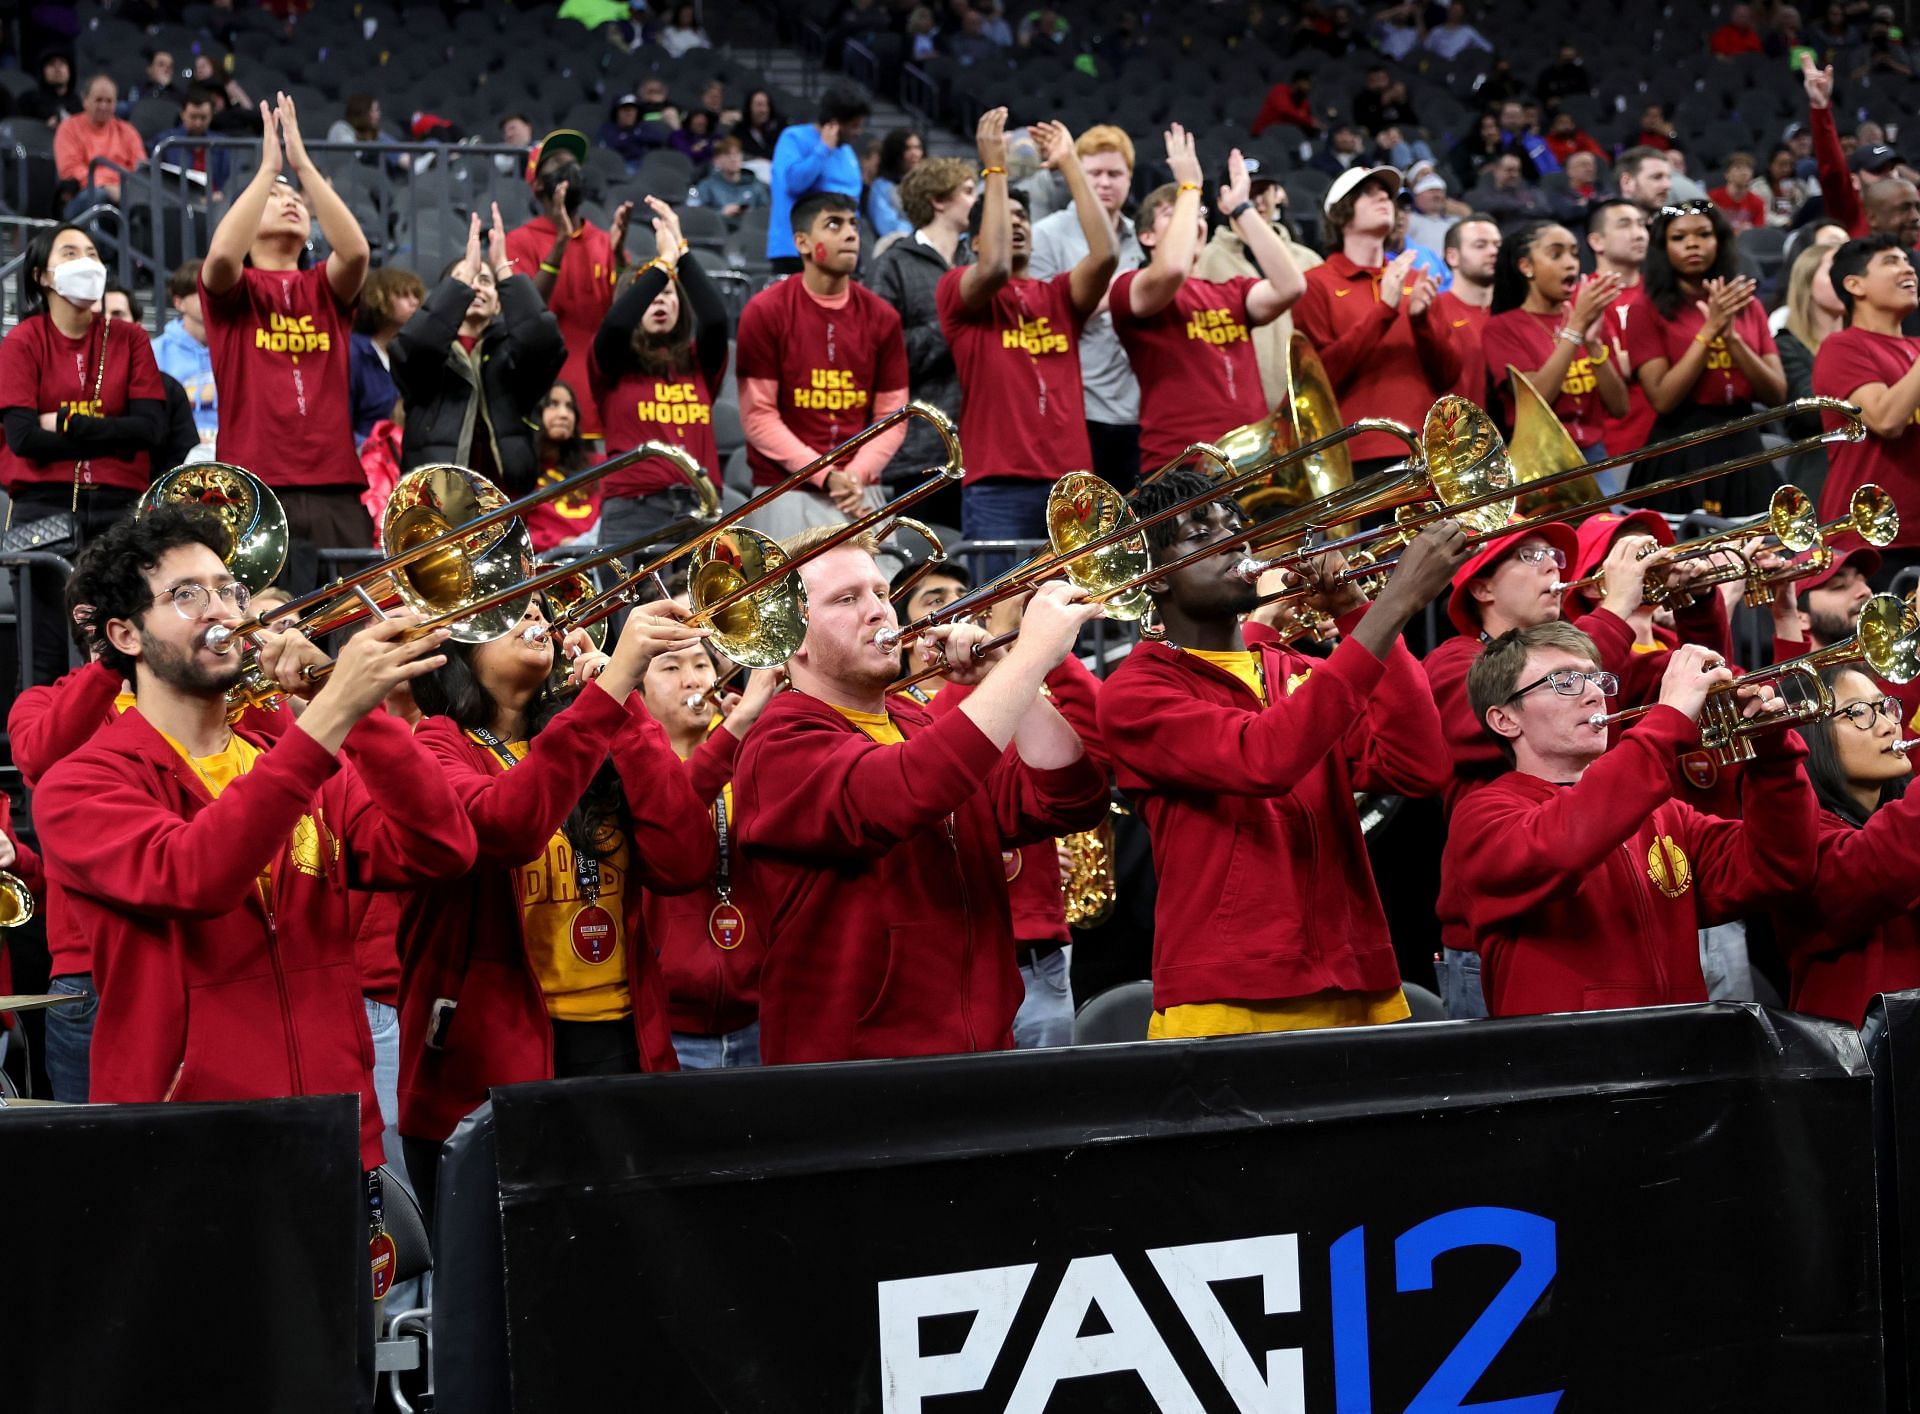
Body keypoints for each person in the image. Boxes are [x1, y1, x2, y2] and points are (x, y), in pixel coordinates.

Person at [34, 505, 475, 1168]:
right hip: (189, 1149)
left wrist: (353, 706)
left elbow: (443, 848)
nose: (222, 611)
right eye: (187, 595)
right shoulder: (79, 784)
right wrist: (325, 718)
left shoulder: (288, 758)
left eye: (228, 590)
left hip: (336, 1134)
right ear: (125, 635)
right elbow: (196, 874)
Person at [1098, 469, 1467, 1036]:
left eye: (1236, 528)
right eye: (1201, 535)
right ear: (1154, 580)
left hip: (1359, 978)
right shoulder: (1136, 691)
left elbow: (1419, 765)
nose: (1235, 542)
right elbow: (1264, 759)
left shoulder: (1303, 670)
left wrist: (1356, 610)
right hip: (1230, 993)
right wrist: (1394, 605)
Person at [733, 529, 1108, 1062]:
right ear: (788, 636)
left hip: (982, 1052)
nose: (879, 613)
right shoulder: (779, 743)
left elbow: (1069, 799)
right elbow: (912, 788)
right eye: (846, 599)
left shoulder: (918, 721)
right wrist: (1030, 655)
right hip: (855, 1072)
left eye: (881, 594)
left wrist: (1003, 670)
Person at [397, 593, 716, 1210]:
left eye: (542, 608)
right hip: (487, 1061)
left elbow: (685, 860)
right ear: (457, 648)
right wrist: (613, 687)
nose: (536, 618)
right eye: (509, 610)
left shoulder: (594, 724)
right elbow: (504, 828)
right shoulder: (433, 746)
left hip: (624, 1047)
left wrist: (626, 712)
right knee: (502, 1297)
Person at [1447, 623, 1816, 1017]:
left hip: (1677, 1056)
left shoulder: (1663, 813)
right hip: (1572, 1067)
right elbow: (1564, 845)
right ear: (1505, 720)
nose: (1594, 694)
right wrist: (1667, 719)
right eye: (1566, 681)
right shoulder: (1483, 814)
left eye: (1597, 679)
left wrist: (1774, 756)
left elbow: (1778, 868)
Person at [200, 94, 370, 597]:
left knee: (349, 632)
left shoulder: (325, 287)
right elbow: (221, 256)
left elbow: (356, 250)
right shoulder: (236, 291)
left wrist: (301, 167)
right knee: (262, 635)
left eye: (295, 198)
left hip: (335, 486)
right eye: (277, 197)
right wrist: (267, 170)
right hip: (255, 489)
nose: (291, 200)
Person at [938, 111, 1113, 546]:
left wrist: (1071, 162)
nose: (1017, 222)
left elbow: (1106, 254)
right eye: (1005, 217)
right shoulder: (958, 290)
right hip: (998, 485)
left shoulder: (1058, 295)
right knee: (1000, 610)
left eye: (1023, 217)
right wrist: (995, 168)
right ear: (975, 240)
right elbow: (994, 267)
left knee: (1080, 612)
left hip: (1072, 485)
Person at [0, 225, 164, 686]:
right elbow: (23, 438)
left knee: (125, 652)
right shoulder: (23, 341)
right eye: (70, 252)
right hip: (41, 507)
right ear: (42, 276)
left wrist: (67, 423)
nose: (86, 261)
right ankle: (41, 757)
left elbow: (149, 430)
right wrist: (114, 431)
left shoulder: (130, 339)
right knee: (42, 653)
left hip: (117, 507)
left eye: (92, 251)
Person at [1108, 126, 1305, 473]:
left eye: (1199, 214)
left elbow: (1291, 286)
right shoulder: (1130, 287)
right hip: (1181, 467)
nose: (1194, 219)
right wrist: (1188, 187)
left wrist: (1241, 209)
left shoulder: (1231, 291)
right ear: (1146, 236)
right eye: (1173, 212)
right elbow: (1171, 268)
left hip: (1253, 464)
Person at [639, 648, 785, 1068]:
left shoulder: (750, 746)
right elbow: (667, 813)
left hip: (763, 1016)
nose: (693, 680)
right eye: (670, 667)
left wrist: (763, 733)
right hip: (669, 1026)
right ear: (638, 691)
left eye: (701, 665)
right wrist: (737, 729)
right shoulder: (632, 761)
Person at [735, 193, 909, 540]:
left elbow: (892, 415)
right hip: (785, 490)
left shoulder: (883, 317)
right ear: (802, 242)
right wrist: (825, 474)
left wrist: (856, 475)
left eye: (853, 225)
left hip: (859, 490)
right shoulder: (765, 311)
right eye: (834, 224)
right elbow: (759, 417)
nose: (850, 234)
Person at [1770, 663, 1920, 1023]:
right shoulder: (1796, 840)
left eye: (1886, 707)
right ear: (1808, 734)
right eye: (1858, 713)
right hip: (1860, 1061)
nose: (1887, 725)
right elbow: (1872, 864)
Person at [1294, 165, 1461, 472]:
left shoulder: (1417, 279)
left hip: (1429, 451)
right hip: (1356, 453)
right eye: (1367, 194)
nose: (1383, 198)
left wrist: (1421, 321)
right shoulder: (1315, 283)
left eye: (1386, 193)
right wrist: (1384, 310)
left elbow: (1448, 376)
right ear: (1340, 212)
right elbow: (1319, 380)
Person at [392, 206, 565, 502]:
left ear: (500, 303)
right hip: (437, 508)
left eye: (485, 281)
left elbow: (543, 342)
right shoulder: (429, 353)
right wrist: (464, 278)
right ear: (447, 297)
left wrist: (503, 268)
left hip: (506, 505)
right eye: (464, 281)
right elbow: (410, 350)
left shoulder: (512, 354)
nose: (474, 286)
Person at [1625, 201, 1785, 519]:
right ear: (1662, 247)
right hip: (1681, 445)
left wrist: (1733, 338)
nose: (1693, 244)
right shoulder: (1646, 309)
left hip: (1744, 440)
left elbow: (1776, 394)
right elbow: (1664, 398)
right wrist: (1709, 331)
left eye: (1703, 234)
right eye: (1679, 238)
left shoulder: (1746, 305)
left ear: (1719, 241)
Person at [591, 198, 731, 551]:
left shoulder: (699, 364)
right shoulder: (612, 363)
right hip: (633, 512)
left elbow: (715, 319)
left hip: (701, 510)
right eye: (652, 293)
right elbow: (617, 323)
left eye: (669, 293)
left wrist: (681, 251)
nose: (660, 300)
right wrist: (663, 264)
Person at [1029, 123, 1145, 492]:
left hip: (1137, 407)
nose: (1105, 183)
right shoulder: (1047, 233)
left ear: (1130, 178)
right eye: (1094, 173)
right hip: (1077, 409)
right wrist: (1119, 289)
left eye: (1115, 173)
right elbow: (1038, 317)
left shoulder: (1142, 236)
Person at [505, 129, 637, 450]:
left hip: (599, 399)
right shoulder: (520, 240)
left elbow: (626, 315)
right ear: (537, 186)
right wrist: (561, 243)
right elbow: (527, 316)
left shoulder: (606, 241)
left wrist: (620, 258)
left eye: (573, 164)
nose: (570, 170)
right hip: (544, 402)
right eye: (557, 165)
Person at [870, 155, 975, 517]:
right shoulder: (893, 265)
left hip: (983, 448)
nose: (976, 201)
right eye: (967, 191)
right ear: (938, 200)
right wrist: (954, 323)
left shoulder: (978, 263)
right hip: (921, 450)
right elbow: (885, 356)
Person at [1813, 235, 1920, 579]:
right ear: (1854, 285)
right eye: (1891, 262)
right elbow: (1886, 419)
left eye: (1907, 260)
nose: (1908, 268)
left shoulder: (1915, 349)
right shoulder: (1842, 347)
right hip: (1870, 543)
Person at [1480, 221, 1629, 467]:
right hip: (1539, 461)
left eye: (1574, 253)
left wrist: (1592, 344)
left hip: (1595, 455)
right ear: (1526, 266)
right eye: (1556, 254)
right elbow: (1537, 400)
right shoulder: (1502, 328)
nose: (1571, 263)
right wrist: (1576, 329)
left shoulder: (1589, 318)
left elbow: (1620, 407)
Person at [1196, 162, 1326, 409]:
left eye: (1262, 192)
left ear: (1277, 195)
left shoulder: (1309, 260)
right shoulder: (1204, 262)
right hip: (1234, 408)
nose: (1256, 202)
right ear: (1224, 202)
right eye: (1246, 194)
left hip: (1305, 406)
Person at [767, 87, 870, 272]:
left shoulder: (847, 152)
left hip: (840, 250)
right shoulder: (793, 138)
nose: (859, 132)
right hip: (797, 251)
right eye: (854, 125)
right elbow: (793, 184)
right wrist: (823, 149)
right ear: (835, 123)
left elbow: (854, 204)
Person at [1777, 238, 1849, 496]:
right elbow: (1811, 413)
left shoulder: (1865, 341)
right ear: (1807, 281)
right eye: (1834, 269)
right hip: (1818, 471)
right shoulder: (1786, 345)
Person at [348, 266, 422, 448]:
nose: (415, 303)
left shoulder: (413, 353)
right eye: (404, 295)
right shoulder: (354, 351)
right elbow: (340, 422)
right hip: (367, 458)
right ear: (379, 298)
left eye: (416, 296)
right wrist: (368, 448)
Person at [525, 382, 602, 552]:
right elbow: (513, 534)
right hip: (546, 565)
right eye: (553, 404)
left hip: (598, 560)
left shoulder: (597, 464)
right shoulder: (520, 471)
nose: (564, 414)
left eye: (570, 407)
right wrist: (559, 543)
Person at [152, 259, 218, 451]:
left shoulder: (235, 346)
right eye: (201, 292)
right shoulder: (156, 351)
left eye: (213, 290)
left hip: (230, 449)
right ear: (179, 303)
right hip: (179, 451)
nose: (210, 297)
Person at [54, 75, 145, 211]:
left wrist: (124, 188)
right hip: (83, 194)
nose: (103, 106)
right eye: (98, 100)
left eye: (109, 101)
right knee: (101, 198)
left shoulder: (127, 131)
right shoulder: (68, 128)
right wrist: (106, 185)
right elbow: (70, 170)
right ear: (85, 101)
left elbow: (141, 169)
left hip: (124, 193)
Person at [1434, 212, 1499, 403]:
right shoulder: (1435, 310)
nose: (1493, 251)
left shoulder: (1513, 311)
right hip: (1458, 429)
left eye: (1497, 245)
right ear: (1452, 257)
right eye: (1481, 245)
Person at [151, 86, 232, 200]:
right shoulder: (166, 141)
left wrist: (222, 194)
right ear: (182, 114)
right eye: (193, 117)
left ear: (211, 116)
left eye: (203, 118)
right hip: (177, 203)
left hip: (215, 204)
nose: (198, 123)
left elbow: (229, 181)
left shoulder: (221, 144)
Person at [694, 136, 768, 221]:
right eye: (728, 155)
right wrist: (721, 213)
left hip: (750, 229)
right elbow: (698, 215)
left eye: (737, 154)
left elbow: (766, 213)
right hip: (720, 231)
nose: (733, 159)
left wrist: (750, 214)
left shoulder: (755, 184)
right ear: (716, 161)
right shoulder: (707, 186)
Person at [868, 128, 922, 239]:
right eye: (907, 149)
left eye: (918, 148)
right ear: (895, 153)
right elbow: (888, 227)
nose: (914, 154)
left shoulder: (930, 184)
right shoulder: (881, 187)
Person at [18, 49, 81, 127]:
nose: (57, 69)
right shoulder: (29, 100)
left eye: (62, 64)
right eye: (51, 64)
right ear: (42, 71)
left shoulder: (79, 102)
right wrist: (44, 128)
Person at [599, 93, 658, 172]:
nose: (629, 113)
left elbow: (658, 139)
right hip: (617, 165)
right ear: (616, 112)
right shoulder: (608, 128)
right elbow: (607, 149)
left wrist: (628, 138)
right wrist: (636, 139)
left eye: (632, 109)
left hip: (643, 165)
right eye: (625, 109)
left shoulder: (644, 126)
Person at [1710, 151, 1768, 231]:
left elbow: (1759, 232)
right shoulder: (1713, 198)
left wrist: (1751, 230)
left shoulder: (1758, 203)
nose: (1744, 172)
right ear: (1727, 174)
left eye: (1748, 168)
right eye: (1738, 168)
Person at [1251, 70, 1318, 137]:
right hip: (1261, 135)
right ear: (1297, 82)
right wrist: (1309, 121)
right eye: (1306, 83)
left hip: (1284, 136)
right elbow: (1284, 110)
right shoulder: (1280, 90)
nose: (1308, 88)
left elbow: (1307, 118)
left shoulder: (1304, 103)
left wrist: (1311, 122)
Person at [1616, 146, 1675, 215]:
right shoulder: (1605, 225)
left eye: (1668, 177)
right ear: (1627, 182)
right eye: (1657, 177)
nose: (1667, 185)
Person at [732, 88, 785, 164]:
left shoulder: (780, 127)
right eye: (759, 105)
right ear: (749, 107)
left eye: (766, 105)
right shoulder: (739, 131)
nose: (763, 110)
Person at [1424, 0, 1493, 58]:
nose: (1454, 13)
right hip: (1437, 66)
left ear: (1462, 14)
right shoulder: (1436, 31)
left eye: (1458, 11)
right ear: (1448, 10)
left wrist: (1470, 53)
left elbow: (1488, 48)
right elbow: (1426, 48)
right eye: (1453, 10)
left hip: (1458, 67)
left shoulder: (1468, 31)